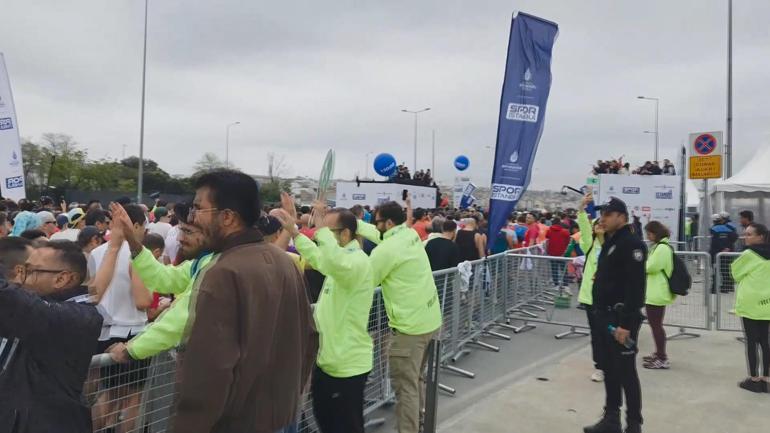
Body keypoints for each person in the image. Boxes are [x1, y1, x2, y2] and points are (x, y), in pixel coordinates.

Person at [172, 170, 317, 433]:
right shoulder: (284, 262)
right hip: (279, 416)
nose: (192, 218)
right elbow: (309, 338)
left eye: (198, 209)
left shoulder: (222, 272)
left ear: (227, 217)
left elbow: (210, 370)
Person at [276, 200, 375, 433]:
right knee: (326, 422)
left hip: (346, 366)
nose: (323, 237)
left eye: (329, 232)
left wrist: (319, 229)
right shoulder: (338, 261)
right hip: (328, 361)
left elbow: (330, 260)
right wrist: (295, 233)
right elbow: (321, 259)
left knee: (344, 427)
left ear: (346, 234)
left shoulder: (356, 262)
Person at [357, 201, 442, 433]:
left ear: (389, 222)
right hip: (429, 321)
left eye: (377, 221)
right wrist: (352, 222)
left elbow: (363, 281)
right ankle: (420, 424)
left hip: (409, 330)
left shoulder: (386, 250)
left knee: (405, 389)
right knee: (415, 382)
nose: (374, 225)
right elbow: (380, 235)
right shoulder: (408, 234)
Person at [0, 241, 103, 433]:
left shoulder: (81, 318)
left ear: (61, 279)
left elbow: (15, 303)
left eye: (29, 271)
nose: (19, 279)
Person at [104, 204, 215, 364]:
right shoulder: (202, 261)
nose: (179, 239)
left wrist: (131, 350)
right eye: (180, 230)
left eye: (188, 231)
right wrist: (132, 240)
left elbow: (181, 318)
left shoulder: (217, 266)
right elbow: (163, 277)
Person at [584, 197, 646, 433]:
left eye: (609, 214)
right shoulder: (611, 242)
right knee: (609, 369)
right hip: (604, 316)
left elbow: (635, 287)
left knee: (626, 372)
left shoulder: (631, 244)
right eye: (603, 214)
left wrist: (626, 324)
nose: (603, 218)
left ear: (622, 216)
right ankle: (611, 418)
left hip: (620, 319)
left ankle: (633, 424)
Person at [730, 223, 770, 393]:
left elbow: (735, 273)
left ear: (760, 236)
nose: (745, 237)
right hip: (767, 303)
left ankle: (754, 379)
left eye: (749, 234)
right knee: (766, 342)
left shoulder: (749, 254)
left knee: (752, 342)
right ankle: (767, 379)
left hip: (751, 303)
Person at [576, 193, 606, 383]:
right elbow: (584, 228)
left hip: (609, 297)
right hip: (591, 297)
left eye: (602, 224)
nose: (599, 226)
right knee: (596, 334)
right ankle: (600, 366)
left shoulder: (614, 245)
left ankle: (612, 363)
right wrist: (581, 208)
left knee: (608, 333)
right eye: (596, 224)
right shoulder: (589, 245)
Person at [642, 221, 676, 370]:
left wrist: (641, 264)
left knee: (656, 326)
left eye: (649, 233)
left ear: (655, 233)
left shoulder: (662, 248)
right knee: (655, 325)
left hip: (657, 292)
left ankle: (662, 357)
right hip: (655, 291)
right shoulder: (660, 246)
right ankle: (659, 353)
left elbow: (651, 266)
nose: (647, 236)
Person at [710, 213, 739, 293]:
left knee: (715, 270)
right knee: (726, 270)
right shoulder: (729, 228)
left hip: (716, 252)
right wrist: (727, 248)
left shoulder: (713, 229)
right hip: (728, 252)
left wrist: (721, 249)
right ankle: (727, 287)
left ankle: (714, 288)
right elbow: (734, 237)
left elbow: (715, 242)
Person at [546, 217, 572, 293]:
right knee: (564, 270)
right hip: (561, 253)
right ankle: (566, 285)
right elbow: (568, 241)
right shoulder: (565, 232)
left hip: (552, 253)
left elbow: (547, 237)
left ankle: (556, 285)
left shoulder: (549, 230)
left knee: (554, 269)